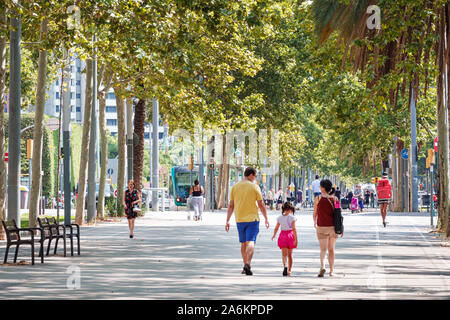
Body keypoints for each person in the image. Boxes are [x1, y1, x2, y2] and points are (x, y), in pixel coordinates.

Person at [225, 167, 269, 276]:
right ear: (250, 175)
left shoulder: (235, 187)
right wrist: (266, 218)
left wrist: (227, 220)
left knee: (243, 243)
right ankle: (248, 263)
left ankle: (245, 265)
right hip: (253, 219)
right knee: (251, 241)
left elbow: (231, 205)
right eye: (255, 175)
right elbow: (261, 204)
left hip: (239, 219)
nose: (255, 178)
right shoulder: (255, 187)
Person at [313, 179, 342, 277]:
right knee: (331, 249)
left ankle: (322, 266)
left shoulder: (317, 198)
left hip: (321, 226)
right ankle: (331, 271)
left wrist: (314, 222)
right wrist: (341, 227)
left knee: (323, 249)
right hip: (332, 228)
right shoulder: (335, 199)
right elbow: (338, 214)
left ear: (322, 188)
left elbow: (315, 213)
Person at [272, 202, 298, 276]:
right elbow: (294, 229)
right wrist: (296, 239)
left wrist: (274, 235)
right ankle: (289, 270)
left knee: (284, 255)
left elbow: (276, 227)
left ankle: (285, 266)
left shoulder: (280, 217)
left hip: (283, 235)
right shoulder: (292, 218)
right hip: (290, 235)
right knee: (290, 255)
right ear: (290, 209)